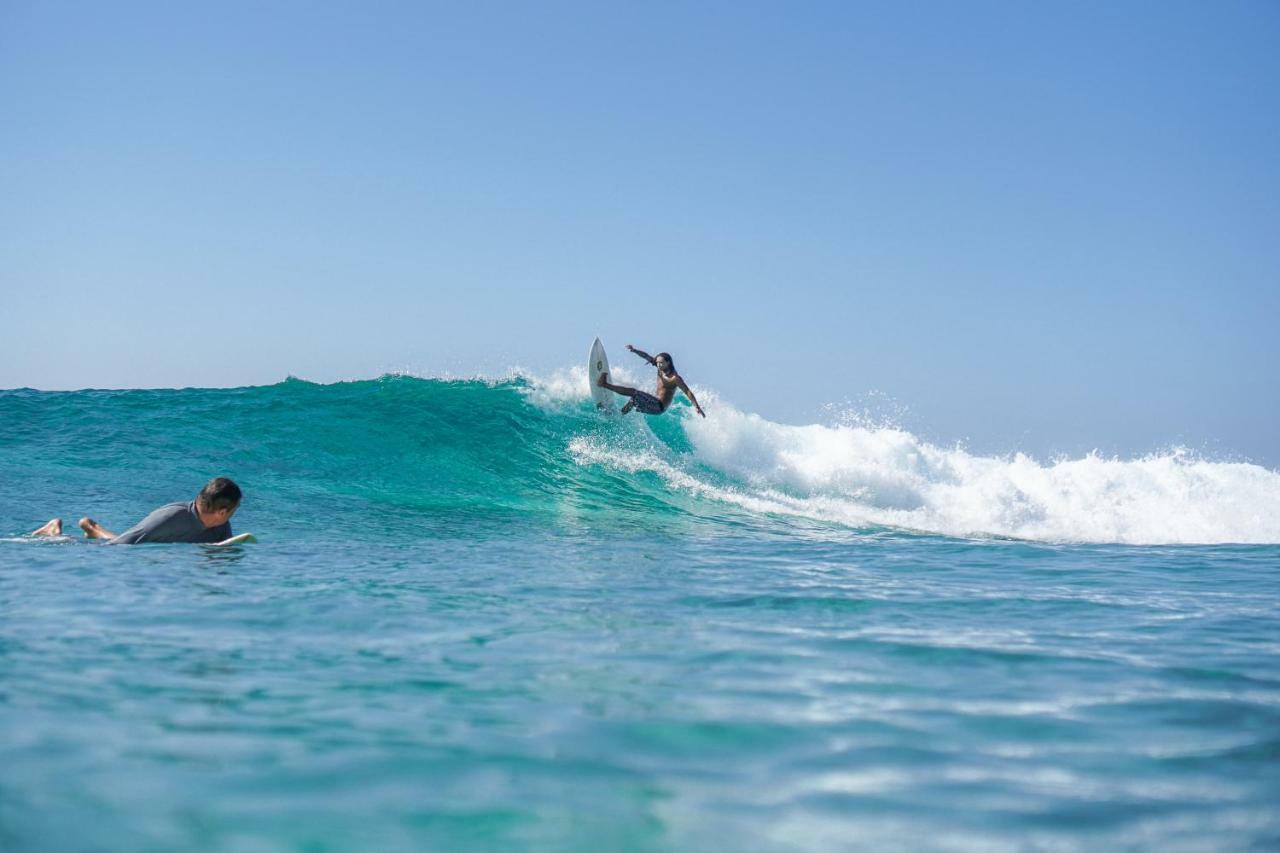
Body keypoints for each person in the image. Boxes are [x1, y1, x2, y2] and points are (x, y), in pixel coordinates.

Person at [31, 477, 254, 545]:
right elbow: (121, 545)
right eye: (235, 509)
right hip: (126, 543)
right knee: (113, 544)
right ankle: (54, 532)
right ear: (222, 511)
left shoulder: (221, 524)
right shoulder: (172, 518)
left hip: (148, 539)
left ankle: (93, 528)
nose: (236, 513)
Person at [597, 344, 706, 417]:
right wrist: (634, 350)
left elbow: (688, 392)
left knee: (634, 393)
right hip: (654, 402)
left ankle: (604, 384)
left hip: (659, 407)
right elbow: (646, 356)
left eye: (661, 363)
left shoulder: (674, 378)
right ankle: (619, 416)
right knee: (634, 400)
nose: (658, 365)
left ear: (668, 363)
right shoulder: (660, 368)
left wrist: (697, 407)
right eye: (657, 362)